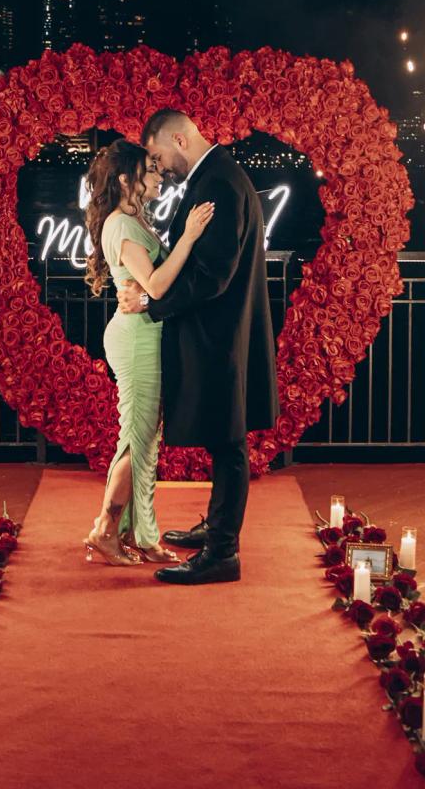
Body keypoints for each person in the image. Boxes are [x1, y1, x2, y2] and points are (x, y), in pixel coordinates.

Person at [119, 108, 278, 585]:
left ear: (179, 140)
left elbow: (212, 276)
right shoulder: (217, 176)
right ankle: (216, 529)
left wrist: (150, 302)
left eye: (159, 155)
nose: (160, 167)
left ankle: (223, 552)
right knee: (223, 439)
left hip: (221, 337)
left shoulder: (219, 184)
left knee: (229, 443)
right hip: (223, 334)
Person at [81, 138, 215, 566]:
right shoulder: (120, 224)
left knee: (143, 440)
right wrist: (190, 237)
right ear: (126, 180)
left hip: (145, 332)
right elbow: (156, 285)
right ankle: (106, 530)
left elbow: (150, 288)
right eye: (151, 171)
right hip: (136, 338)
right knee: (139, 441)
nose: (160, 177)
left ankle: (139, 534)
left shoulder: (136, 219)